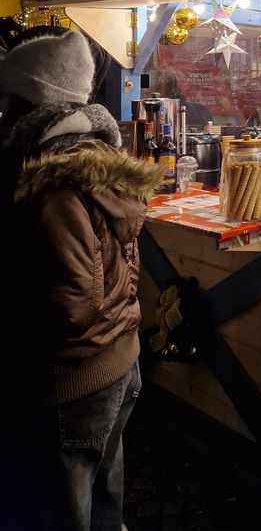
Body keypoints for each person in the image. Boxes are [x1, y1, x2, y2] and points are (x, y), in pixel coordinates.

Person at [0, 29, 164, 531]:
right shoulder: (96, 159)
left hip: (72, 382)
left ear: (31, 102)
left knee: (59, 514)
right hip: (118, 362)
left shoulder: (55, 182)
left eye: (10, 100)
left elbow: (74, 303)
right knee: (104, 506)